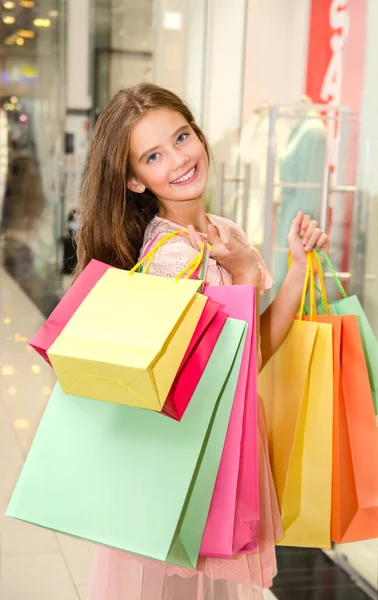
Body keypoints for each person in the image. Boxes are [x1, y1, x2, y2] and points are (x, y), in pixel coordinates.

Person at [74, 83, 331, 600]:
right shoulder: (168, 260)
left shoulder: (223, 231)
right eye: (153, 155)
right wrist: (238, 277)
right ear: (134, 180)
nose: (179, 159)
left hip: (221, 444)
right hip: (187, 451)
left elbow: (255, 348)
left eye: (181, 136)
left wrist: (297, 268)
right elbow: (220, 374)